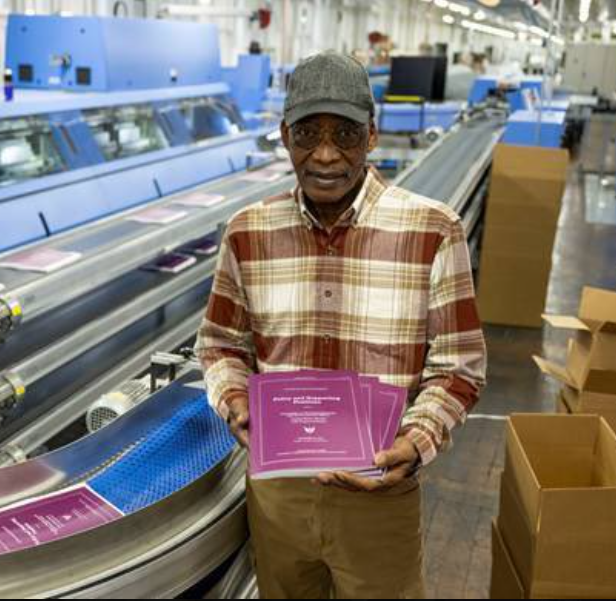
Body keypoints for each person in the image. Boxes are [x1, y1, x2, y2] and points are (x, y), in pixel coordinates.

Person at [195, 50, 487, 599]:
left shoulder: (433, 231)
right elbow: (220, 344)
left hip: (379, 492)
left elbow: (459, 367)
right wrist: (234, 399)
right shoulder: (248, 233)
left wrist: (416, 441)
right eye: (308, 134)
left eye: (346, 134)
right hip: (278, 490)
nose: (326, 155)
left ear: (372, 135)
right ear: (285, 136)